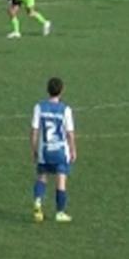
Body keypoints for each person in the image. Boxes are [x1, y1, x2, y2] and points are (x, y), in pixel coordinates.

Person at [30, 77, 76, 223]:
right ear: (61, 90)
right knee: (61, 180)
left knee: (42, 177)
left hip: (45, 151)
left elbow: (34, 131)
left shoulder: (39, 107)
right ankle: (60, 212)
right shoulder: (65, 110)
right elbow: (70, 133)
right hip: (60, 152)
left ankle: (38, 203)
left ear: (47, 90)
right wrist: (73, 150)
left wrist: (34, 150)